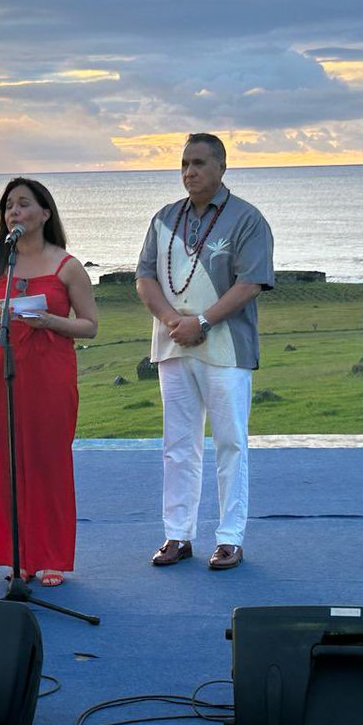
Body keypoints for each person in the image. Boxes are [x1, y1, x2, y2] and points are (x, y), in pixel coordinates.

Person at [135, 133, 274, 572]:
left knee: (230, 441)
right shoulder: (163, 218)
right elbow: (144, 277)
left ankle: (229, 537)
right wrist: (173, 321)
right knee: (178, 444)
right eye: (184, 164)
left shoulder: (247, 219)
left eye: (198, 163)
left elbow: (250, 283)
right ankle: (178, 534)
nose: (189, 172)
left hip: (226, 348)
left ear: (221, 167)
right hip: (173, 345)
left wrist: (204, 322)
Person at [0, 178, 98, 586]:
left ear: (45, 213)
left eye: (24, 204)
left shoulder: (68, 265)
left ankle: (50, 556)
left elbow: (90, 326)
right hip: (5, 374)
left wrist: (49, 322)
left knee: (47, 462)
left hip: (49, 376)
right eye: (9, 205)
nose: (14, 212)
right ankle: (17, 554)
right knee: (7, 462)